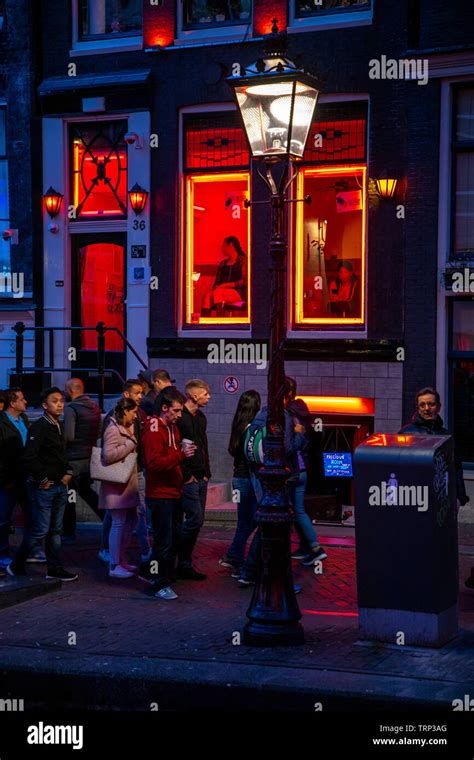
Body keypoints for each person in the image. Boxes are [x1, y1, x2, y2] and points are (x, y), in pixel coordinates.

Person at [7, 387, 78, 582]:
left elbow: (59, 454)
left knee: (55, 530)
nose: (60, 404)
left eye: (61, 400)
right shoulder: (39, 427)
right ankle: (16, 564)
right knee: (41, 529)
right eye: (55, 401)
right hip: (44, 488)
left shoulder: (57, 424)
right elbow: (29, 457)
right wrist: (42, 479)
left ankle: (54, 568)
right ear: (45, 405)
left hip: (58, 485)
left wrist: (68, 471)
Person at [141, 388, 196, 600]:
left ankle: (162, 574)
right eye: (176, 410)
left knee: (172, 538)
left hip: (173, 491)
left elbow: (168, 455)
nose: (180, 415)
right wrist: (181, 455)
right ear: (165, 408)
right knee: (163, 541)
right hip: (160, 493)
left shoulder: (171, 428)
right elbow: (154, 463)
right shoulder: (155, 429)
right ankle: (158, 582)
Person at [100, 379, 149, 565]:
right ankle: (113, 556)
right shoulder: (113, 421)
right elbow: (108, 453)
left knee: (134, 515)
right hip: (120, 476)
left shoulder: (139, 415)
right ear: (126, 394)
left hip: (135, 471)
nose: (140, 396)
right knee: (118, 518)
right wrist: (130, 444)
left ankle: (120, 556)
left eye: (142, 393)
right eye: (137, 393)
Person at [399, 386, 469, 507]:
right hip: (413, 495)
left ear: (438, 407)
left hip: (440, 496)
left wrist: (459, 497)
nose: (427, 408)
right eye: (422, 405)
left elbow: (456, 468)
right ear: (418, 408)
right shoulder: (405, 434)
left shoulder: (446, 436)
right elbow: (398, 466)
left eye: (431, 404)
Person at [219, 390, 261, 576]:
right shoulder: (251, 428)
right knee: (248, 521)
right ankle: (234, 558)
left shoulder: (239, 424)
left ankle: (234, 555)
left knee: (247, 520)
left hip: (238, 479)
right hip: (246, 480)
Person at [99, 397, 139, 579]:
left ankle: (121, 560)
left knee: (129, 522)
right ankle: (114, 564)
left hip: (126, 484)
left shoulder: (126, 427)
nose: (136, 416)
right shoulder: (113, 429)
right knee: (118, 523)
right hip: (117, 485)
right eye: (133, 412)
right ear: (125, 411)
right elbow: (107, 456)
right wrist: (129, 445)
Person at [175, 379, 211, 580]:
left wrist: (207, 472)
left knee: (198, 520)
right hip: (188, 479)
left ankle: (183, 562)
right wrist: (187, 476)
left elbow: (203, 445)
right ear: (194, 395)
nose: (209, 397)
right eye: (206, 394)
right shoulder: (181, 418)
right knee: (194, 518)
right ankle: (182, 561)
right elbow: (178, 447)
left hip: (201, 476)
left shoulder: (201, 417)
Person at [63, 378, 102, 541]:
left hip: (72, 459)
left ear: (70, 390)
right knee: (87, 492)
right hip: (88, 457)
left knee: (69, 495)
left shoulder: (71, 408)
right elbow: (99, 432)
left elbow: (69, 436)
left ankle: (68, 532)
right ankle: (108, 519)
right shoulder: (94, 406)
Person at [0, 388, 30, 568]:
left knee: (32, 515)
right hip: (8, 480)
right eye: (22, 399)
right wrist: (5, 479)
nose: (25, 401)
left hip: (25, 477)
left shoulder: (24, 420)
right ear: (13, 403)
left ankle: (29, 550)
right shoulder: (1, 422)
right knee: (3, 518)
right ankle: (2, 552)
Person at [201, 237, 247, 316]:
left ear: (231, 245)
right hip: (221, 291)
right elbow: (217, 282)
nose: (222, 248)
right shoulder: (223, 263)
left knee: (219, 293)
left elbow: (245, 281)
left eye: (224, 245)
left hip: (237, 292)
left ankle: (220, 322)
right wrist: (216, 288)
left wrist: (226, 285)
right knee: (207, 296)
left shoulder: (243, 261)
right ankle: (205, 325)